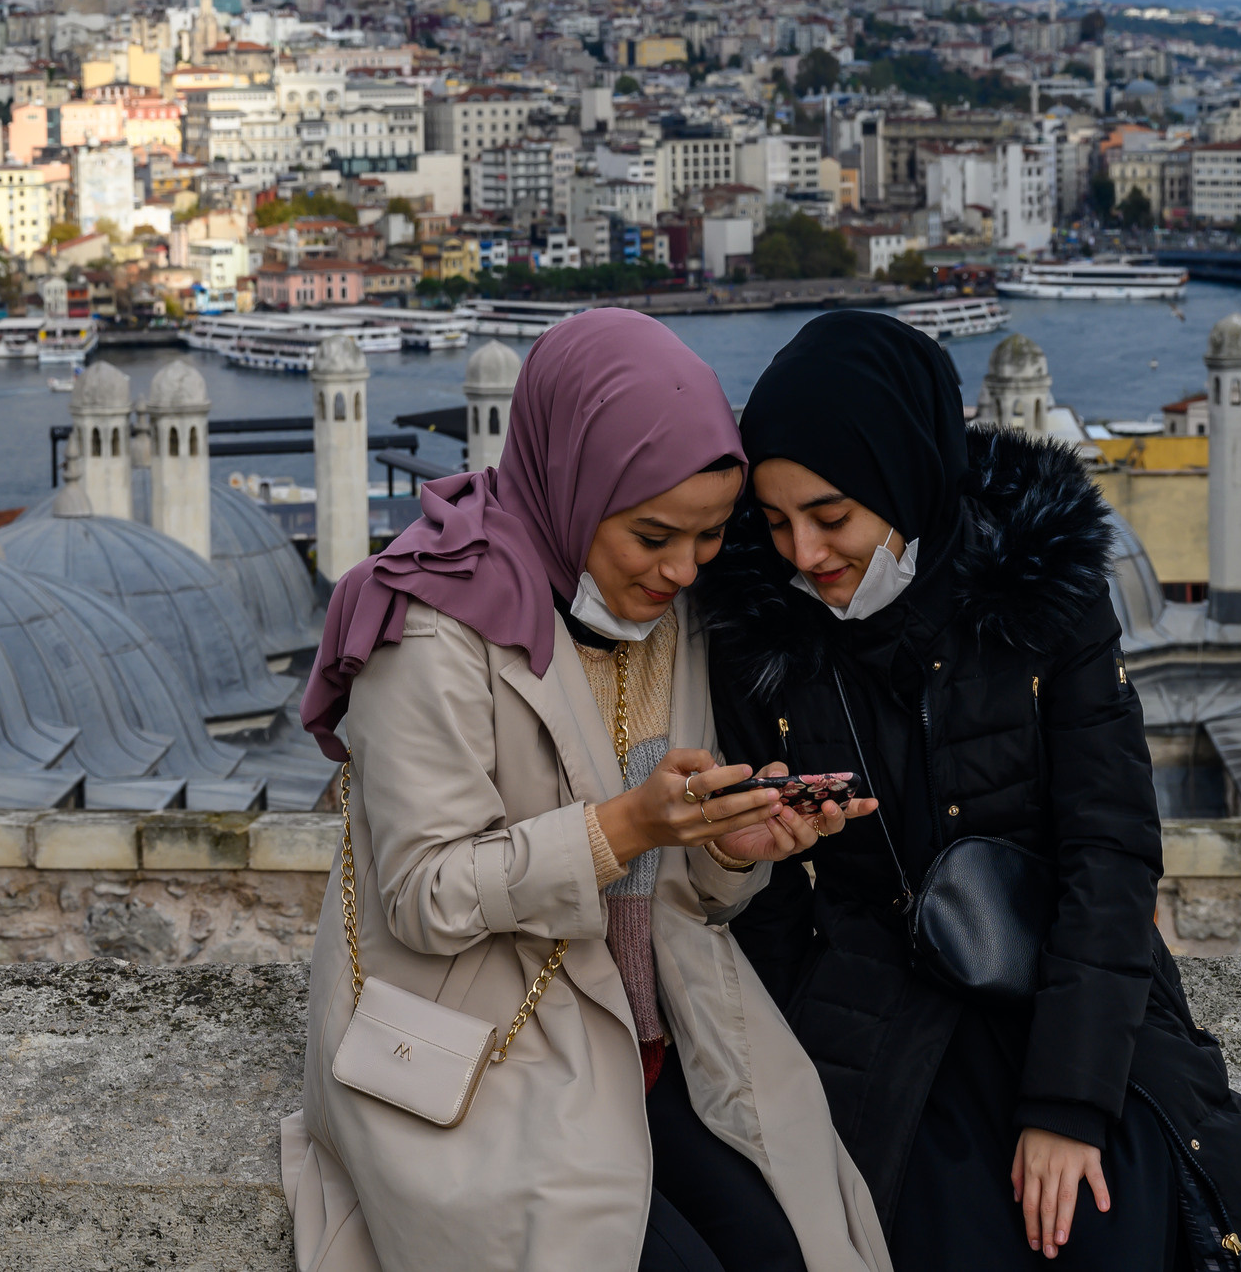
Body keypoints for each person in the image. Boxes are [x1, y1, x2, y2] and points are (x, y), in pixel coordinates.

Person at [699, 310, 1241, 1269]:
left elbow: (1109, 851)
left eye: (831, 517)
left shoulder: (1045, 594)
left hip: (1055, 980)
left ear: (904, 478)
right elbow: (772, 915)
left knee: (1111, 1215)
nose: (802, 553)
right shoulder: (762, 631)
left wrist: (1070, 1101)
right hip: (879, 1007)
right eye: (778, 521)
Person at [279, 310, 891, 1272]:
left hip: (646, 1046)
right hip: (495, 1059)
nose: (683, 569)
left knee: (791, 1249)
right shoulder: (430, 625)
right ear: (574, 482)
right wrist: (620, 826)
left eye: (708, 538)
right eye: (653, 534)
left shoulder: (671, 612)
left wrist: (734, 845)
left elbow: (683, 896)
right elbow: (423, 893)